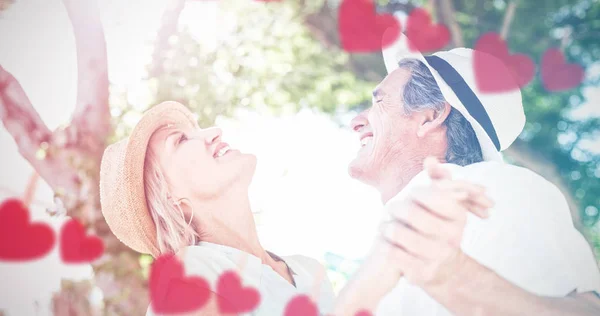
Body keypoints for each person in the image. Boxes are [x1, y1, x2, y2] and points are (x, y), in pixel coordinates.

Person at [98, 101, 492, 315]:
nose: (212, 132)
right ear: (169, 199)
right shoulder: (188, 274)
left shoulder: (308, 270)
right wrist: (391, 256)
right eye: (181, 141)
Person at [331, 33, 600, 315]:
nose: (356, 121)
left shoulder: (497, 186)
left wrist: (452, 277)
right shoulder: (402, 230)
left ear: (431, 115)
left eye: (380, 102)